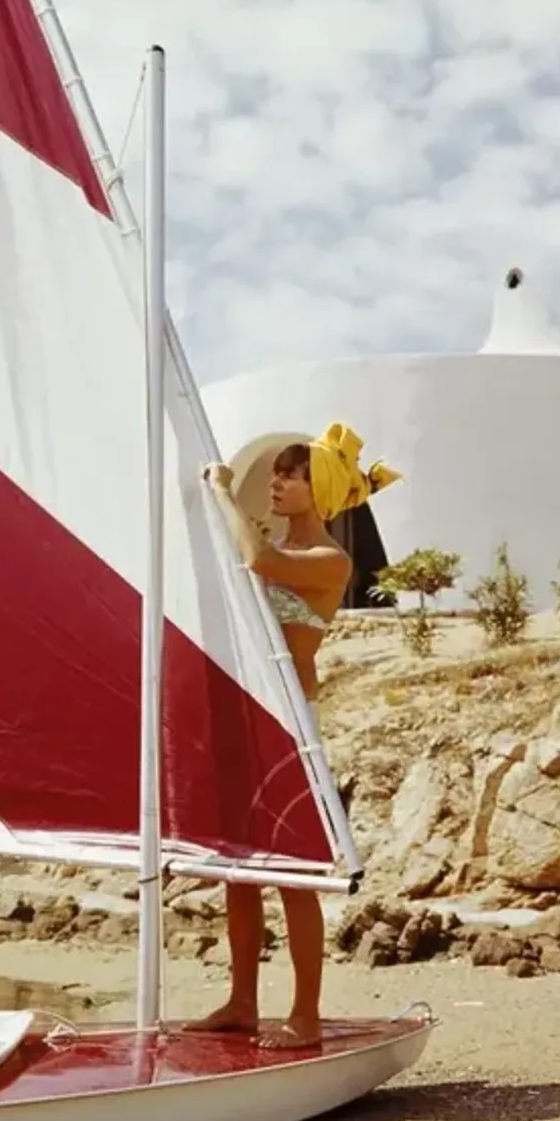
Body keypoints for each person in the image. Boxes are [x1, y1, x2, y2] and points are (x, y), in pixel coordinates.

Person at [190, 424, 400, 1049]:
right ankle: (242, 1001)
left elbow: (260, 563)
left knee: (295, 873)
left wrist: (224, 491)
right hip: (247, 717)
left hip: (291, 724)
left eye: (291, 474)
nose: (277, 482)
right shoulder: (267, 540)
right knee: (239, 868)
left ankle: (305, 1015)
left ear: (321, 489)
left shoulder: (330, 561)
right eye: (277, 473)